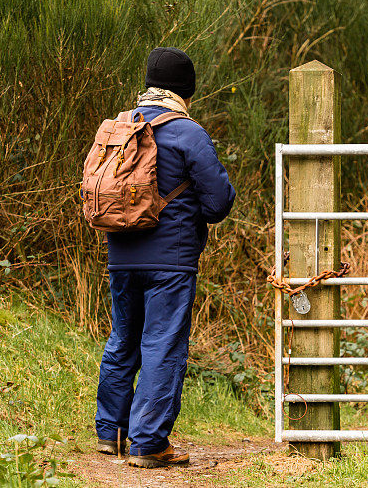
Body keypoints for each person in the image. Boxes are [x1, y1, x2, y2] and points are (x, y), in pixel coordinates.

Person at [94, 47, 236, 468]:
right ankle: (149, 443)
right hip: (170, 262)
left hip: (120, 253)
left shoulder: (120, 127)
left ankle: (112, 434)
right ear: (186, 90)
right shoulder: (187, 132)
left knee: (123, 338)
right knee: (162, 344)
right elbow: (219, 203)